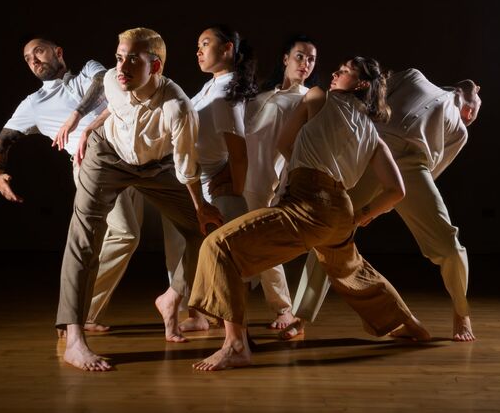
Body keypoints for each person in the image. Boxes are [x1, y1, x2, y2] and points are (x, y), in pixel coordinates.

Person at [189, 58, 430, 371]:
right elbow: (396, 190)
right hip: (339, 210)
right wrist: (361, 215)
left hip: (308, 202)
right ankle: (410, 324)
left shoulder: (319, 97)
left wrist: (303, 169)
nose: (334, 72)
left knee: (218, 246)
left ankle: (236, 345)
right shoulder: (372, 132)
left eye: (344, 71)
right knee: (353, 272)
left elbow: (283, 142)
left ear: (361, 85)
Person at [57, 27, 224, 371]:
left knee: (203, 231)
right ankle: (74, 338)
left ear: (156, 67)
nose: (122, 66)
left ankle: (172, 297)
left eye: (133, 59)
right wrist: (84, 123)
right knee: (83, 237)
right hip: (107, 157)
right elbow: (109, 97)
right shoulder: (112, 79)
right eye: (120, 57)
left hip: (158, 166)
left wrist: (200, 206)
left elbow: (186, 165)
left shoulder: (178, 106)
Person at [289, 69, 482, 341]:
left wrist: (383, 205)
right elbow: (372, 96)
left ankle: (462, 312)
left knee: (449, 244)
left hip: (413, 168)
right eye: (475, 108)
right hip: (372, 151)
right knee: (330, 229)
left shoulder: (460, 131)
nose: (473, 116)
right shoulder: (415, 78)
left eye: (474, 115)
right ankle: (301, 314)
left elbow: (437, 166)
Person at [0, 37, 143, 331]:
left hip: (133, 156)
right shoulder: (33, 104)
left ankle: (85, 313)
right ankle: (79, 312)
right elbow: (2, 141)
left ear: (58, 52)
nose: (33, 60)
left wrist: (77, 115)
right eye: (27, 58)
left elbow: (104, 85)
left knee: (126, 235)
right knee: (125, 235)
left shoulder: (90, 71)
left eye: (39, 51)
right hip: (94, 165)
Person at [162, 25, 258, 332]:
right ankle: (196, 310)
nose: (198, 50)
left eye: (206, 43)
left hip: (209, 182)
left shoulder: (224, 93)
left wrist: (232, 191)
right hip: (191, 180)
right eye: (197, 45)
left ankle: (232, 332)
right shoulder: (211, 86)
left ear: (228, 48)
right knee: (193, 249)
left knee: (227, 254)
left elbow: (238, 151)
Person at [242, 35, 318, 329]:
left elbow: (300, 148)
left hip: (267, 180)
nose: (306, 63)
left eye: (311, 59)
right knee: (232, 244)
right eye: (300, 56)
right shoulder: (261, 95)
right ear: (286, 58)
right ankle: (215, 308)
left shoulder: (307, 98)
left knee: (262, 245)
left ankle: (284, 309)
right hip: (237, 176)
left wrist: (287, 187)